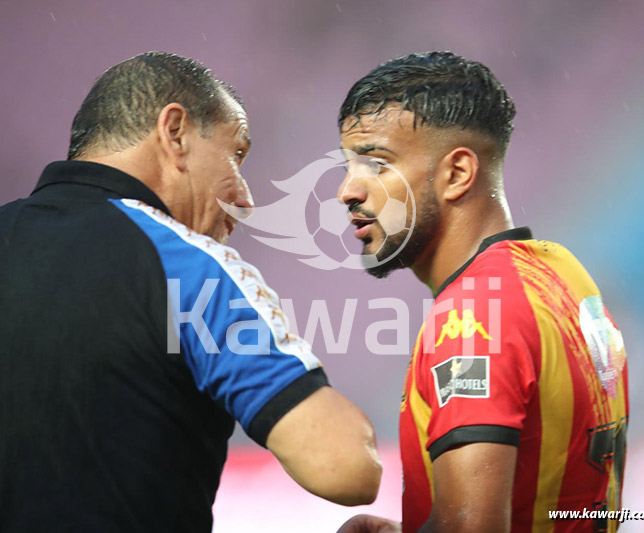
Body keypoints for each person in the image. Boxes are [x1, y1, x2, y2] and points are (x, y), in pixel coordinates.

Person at [0, 52, 381, 532]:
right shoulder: (185, 265)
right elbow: (346, 467)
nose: (245, 199)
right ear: (175, 132)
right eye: (236, 155)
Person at [335, 52, 628, 532]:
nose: (348, 189)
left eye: (376, 164)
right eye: (349, 165)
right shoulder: (563, 273)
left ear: (457, 174)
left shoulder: (473, 315)